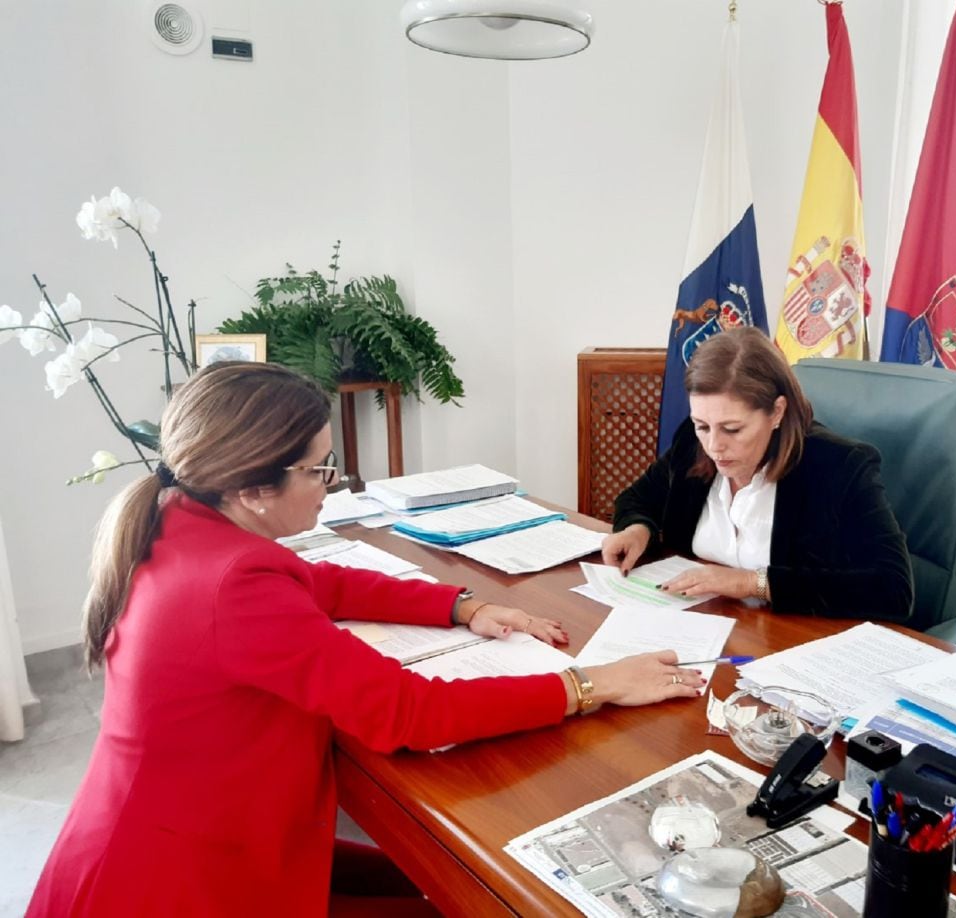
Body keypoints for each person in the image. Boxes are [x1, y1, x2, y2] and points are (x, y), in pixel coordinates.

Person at [28, 362, 705, 918]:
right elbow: (408, 713)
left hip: (178, 840)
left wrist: (461, 605)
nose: (333, 484)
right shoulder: (234, 580)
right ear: (258, 487)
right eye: (320, 469)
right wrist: (591, 685)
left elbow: (320, 584)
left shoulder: (189, 519)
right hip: (180, 882)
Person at [601, 328, 913, 621]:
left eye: (732, 429)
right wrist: (636, 529)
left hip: (791, 640)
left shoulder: (838, 466)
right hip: (703, 623)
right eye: (702, 425)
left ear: (776, 412)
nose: (714, 445)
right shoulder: (692, 441)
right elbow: (639, 498)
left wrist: (752, 583)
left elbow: (893, 589)